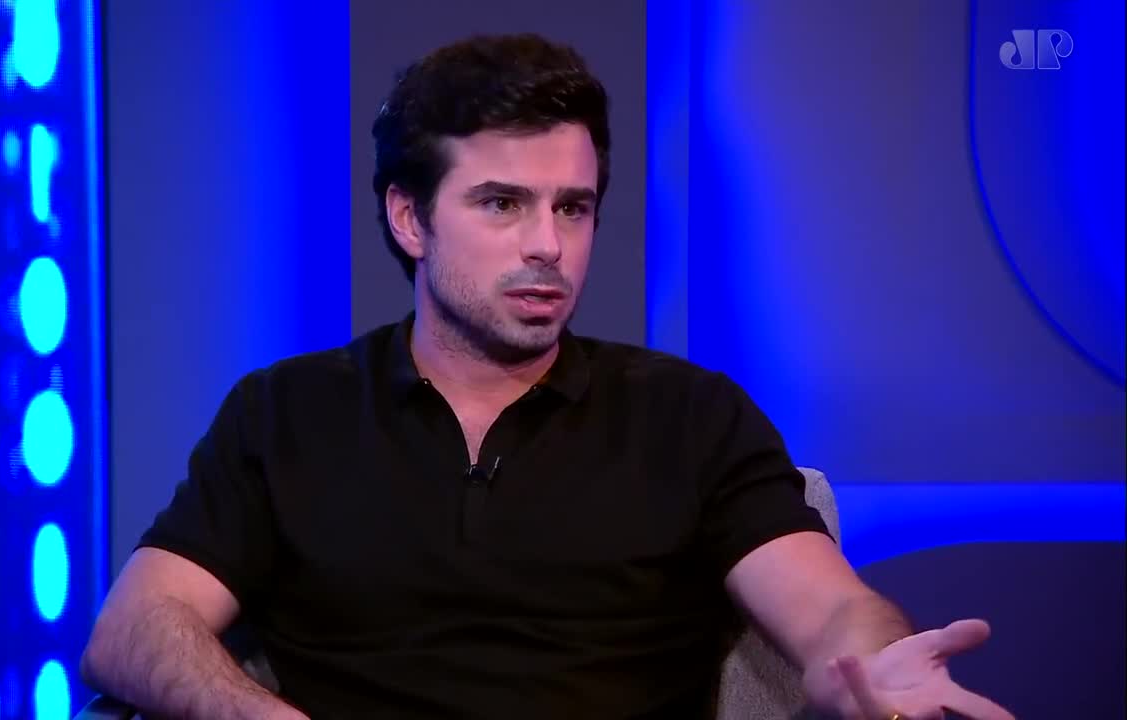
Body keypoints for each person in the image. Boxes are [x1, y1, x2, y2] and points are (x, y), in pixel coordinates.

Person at [80, 33, 1013, 720]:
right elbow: (134, 629)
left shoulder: (688, 418)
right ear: (410, 220)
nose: (547, 246)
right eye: (502, 204)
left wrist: (878, 660)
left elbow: (832, 609)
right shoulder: (287, 413)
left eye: (573, 207)